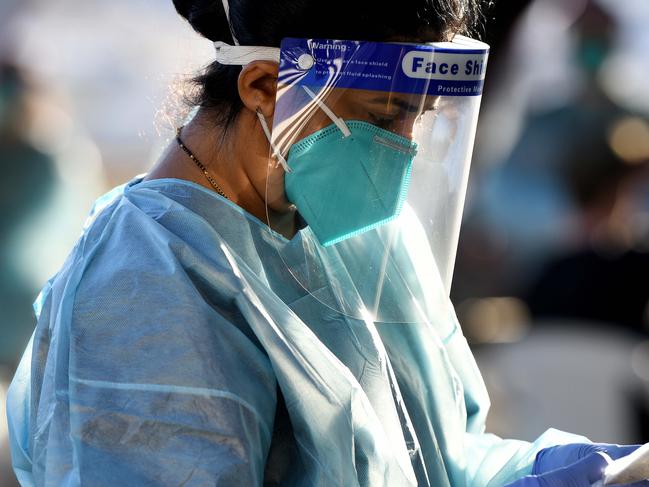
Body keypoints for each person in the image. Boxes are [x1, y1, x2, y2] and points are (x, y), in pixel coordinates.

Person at [5, 1, 648, 486]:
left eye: (419, 118)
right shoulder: (146, 281)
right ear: (263, 86)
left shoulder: (359, 239)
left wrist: (556, 472)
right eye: (382, 115)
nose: (406, 147)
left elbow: (432, 454)